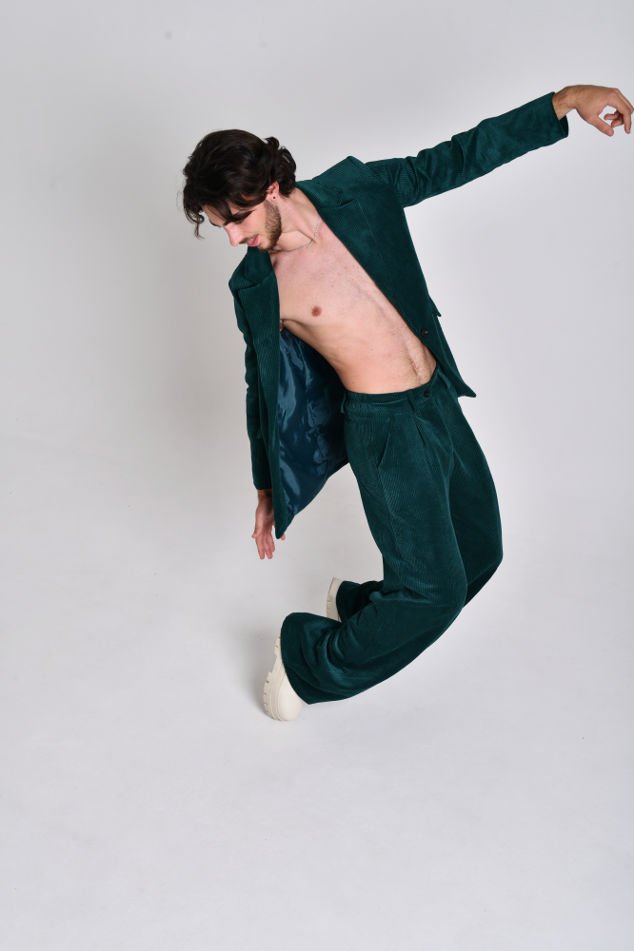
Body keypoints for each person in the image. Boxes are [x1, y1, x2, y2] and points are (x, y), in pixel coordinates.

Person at [181, 84, 631, 721]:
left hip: (437, 400)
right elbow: (262, 386)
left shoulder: (358, 191)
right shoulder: (259, 284)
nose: (232, 238)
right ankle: (307, 658)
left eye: (238, 218)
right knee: (433, 594)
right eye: (220, 224)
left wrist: (563, 102)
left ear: (272, 188)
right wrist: (265, 485)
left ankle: (361, 607)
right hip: (384, 430)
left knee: (481, 552)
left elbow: (453, 159)